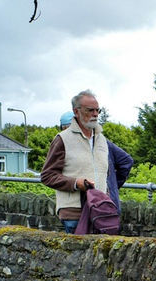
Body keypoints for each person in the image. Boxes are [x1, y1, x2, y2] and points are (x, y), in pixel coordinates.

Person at [41, 90, 110, 233]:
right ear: (76, 112)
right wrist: (75, 183)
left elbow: (105, 174)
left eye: (98, 110)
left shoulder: (102, 140)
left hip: (100, 213)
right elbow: (47, 176)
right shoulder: (62, 139)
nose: (96, 114)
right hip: (74, 213)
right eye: (90, 110)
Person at [59, 110, 133, 216]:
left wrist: (111, 184)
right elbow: (127, 161)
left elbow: (127, 162)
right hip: (105, 204)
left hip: (93, 206)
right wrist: (112, 185)